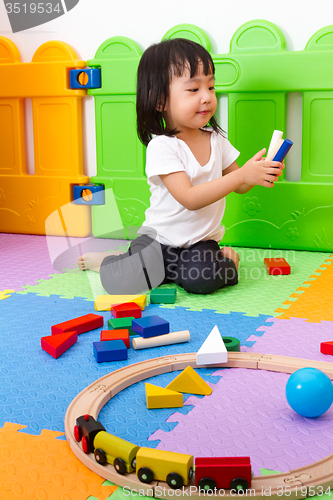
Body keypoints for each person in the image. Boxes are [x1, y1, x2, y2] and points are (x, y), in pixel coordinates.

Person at [77, 38, 283, 295]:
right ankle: (112, 261)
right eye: (193, 90)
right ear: (160, 100)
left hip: (201, 243)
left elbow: (238, 186)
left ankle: (227, 261)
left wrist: (256, 174)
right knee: (123, 282)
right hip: (158, 242)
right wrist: (243, 174)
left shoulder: (216, 139)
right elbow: (189, 198)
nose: (207, 97)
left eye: (211, 86)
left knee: (203, 281)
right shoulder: (163, 146)